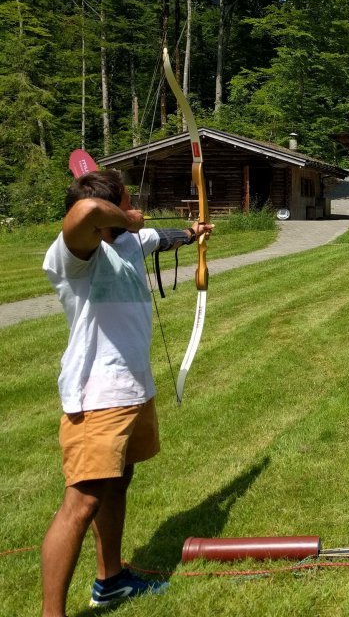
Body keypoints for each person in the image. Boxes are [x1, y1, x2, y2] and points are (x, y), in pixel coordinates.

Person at [40, 169, 212, 616]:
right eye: (126, 200)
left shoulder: (131, 243)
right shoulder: (77, 255)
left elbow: (163, 237)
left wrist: (193, 233)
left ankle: (111, 579)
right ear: (116, 209)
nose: (134, 206)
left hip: (132, 388)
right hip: (96, 395)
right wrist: (127, 218)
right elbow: (88, 211)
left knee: (118, 484)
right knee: (81, 503)